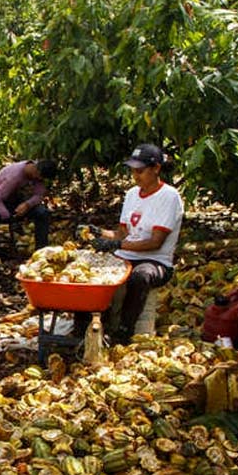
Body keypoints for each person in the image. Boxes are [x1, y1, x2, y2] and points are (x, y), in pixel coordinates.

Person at [89, 143, 183, 343]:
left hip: (156, 261)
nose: (135, 176)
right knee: (92, 271)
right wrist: (99, 233)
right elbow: (123, 233)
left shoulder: (169, 196)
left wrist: (117, 246)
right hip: (126, 255)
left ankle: (124, 330)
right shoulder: (132, 194)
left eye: (140, 171)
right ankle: (91, 326)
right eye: (132, 171)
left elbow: (155, 242)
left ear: (156, 168)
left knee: (140, 276)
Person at [0, 159, 58, 250]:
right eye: (40, 177)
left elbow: (39, 195)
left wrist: (27, 204)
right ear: (36, 170)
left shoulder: (37, 175)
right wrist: (8, 216)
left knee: (42, 213)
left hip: (15, 201)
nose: (40, 180)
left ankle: (41, 249)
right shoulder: (15, 176)